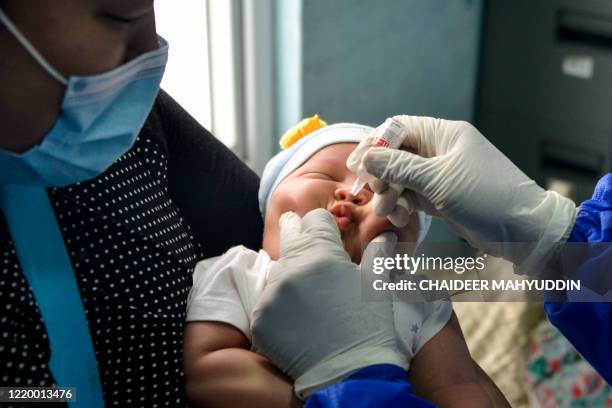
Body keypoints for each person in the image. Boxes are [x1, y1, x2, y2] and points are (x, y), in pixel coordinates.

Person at [0, 1, 262, 406]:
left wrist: (391, 257)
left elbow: (272, 226)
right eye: (119, 16)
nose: (150, 49)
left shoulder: (102, 120)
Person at [183, 121, 509, 407]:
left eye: (380, 193)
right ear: (269, 202)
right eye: (322, 174)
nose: (351, 194)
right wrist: (317, 400)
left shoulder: (419, 296)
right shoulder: (239, 271)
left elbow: (458, 388)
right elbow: (207, 371)